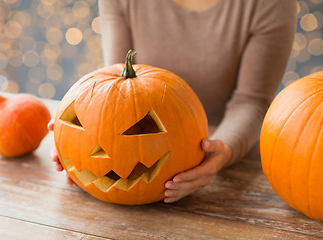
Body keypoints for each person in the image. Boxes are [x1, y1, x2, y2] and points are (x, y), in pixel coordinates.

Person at [49, 0, 297, 203]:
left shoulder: (270, 4)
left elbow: (251, 101)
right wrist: (75, 142)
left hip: (222, 151)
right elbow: (113, 90)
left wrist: (221, 152)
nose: (99, 152)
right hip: (138, 146)